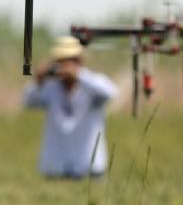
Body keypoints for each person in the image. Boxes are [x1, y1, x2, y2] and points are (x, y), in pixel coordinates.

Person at [23, 36, 118, 179]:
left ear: (80, 61)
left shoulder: (91, 84)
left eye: (71, 61)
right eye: (61, 62)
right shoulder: (50, 87)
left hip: (90, 168)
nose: (65, 66)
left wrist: (78, 75)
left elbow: (110, 92)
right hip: (56, 168)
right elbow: (28, 101)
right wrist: (39, 81)